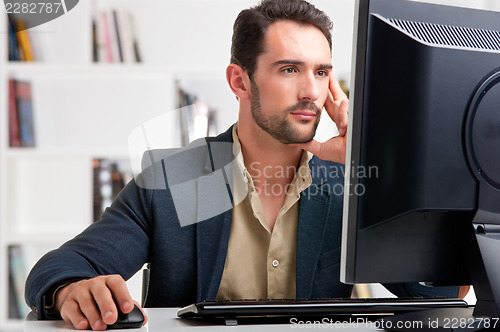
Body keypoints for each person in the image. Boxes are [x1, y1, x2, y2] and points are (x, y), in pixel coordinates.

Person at [25, 0, 461, 330]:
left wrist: (389, 167)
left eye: (322, 72)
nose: (311, 90)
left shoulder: (352, 181)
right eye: (290, 69)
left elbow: (438, 292)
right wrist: (72, 289)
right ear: (239, 81)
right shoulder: (175, 180)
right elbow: (58, 268)